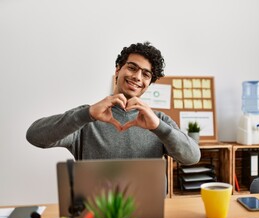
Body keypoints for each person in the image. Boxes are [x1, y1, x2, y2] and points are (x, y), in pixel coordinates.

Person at [26, 42, 201, 165]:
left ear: (149, 83)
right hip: (95, 212)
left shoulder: (158, 120)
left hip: (146, 213)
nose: (137, 77)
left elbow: (192, 157)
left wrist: (158, 127)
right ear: (118, 69)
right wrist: (87, 114)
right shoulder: (87, 117)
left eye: (146, 74)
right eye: (132, 68)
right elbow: (34, 136)